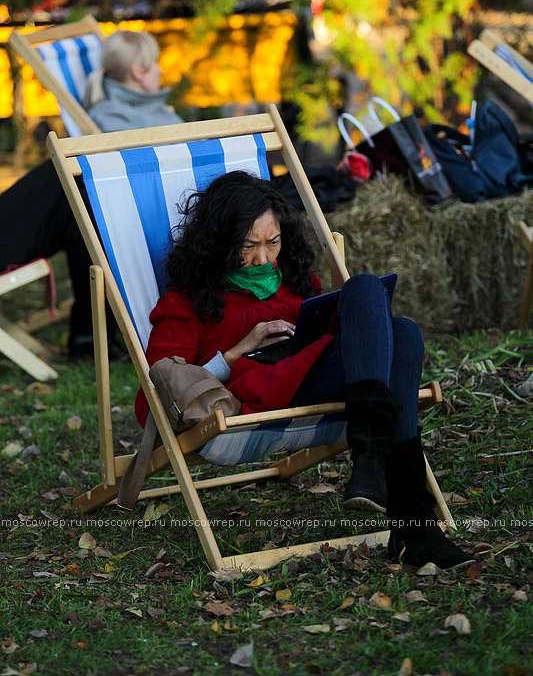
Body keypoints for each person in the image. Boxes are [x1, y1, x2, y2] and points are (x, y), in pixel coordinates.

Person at [135, 170, 475, 571]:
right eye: (248, 246)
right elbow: (155, 397)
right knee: (391, 318)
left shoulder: (298, 281)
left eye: (273, 241)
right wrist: (235, 352)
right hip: (263, 393)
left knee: (395, 322)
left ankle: (374, 465)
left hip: (320, 376)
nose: (263, 257)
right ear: (219, 241)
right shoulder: (188, 300)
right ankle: (411, 521)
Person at [0, 30, 182, 360]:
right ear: (139, 71)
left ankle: (88, 336)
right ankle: (88, 335)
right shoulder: (113, 116)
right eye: (154, 64)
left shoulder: (162, 111)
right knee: (72, 185)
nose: (160, 71)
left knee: (79, 204)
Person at [85, 29, 182, 132]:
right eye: (155, 62)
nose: (160, 70)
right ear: (138, 73)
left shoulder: (152, 106)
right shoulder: (110, 116)